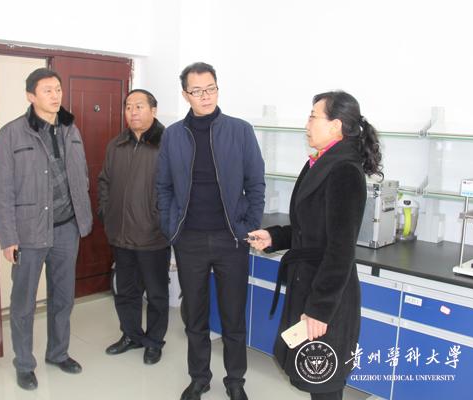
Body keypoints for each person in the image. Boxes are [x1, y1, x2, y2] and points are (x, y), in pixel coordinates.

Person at [248, 91, 383, 400]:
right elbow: (309, 229)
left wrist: (319, 311)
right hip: (308, 283)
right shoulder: (318, 163)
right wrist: (274, 237)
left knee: (325, 383)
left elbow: (340, 250)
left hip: (327, 295)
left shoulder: (344, 171)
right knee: (314, 377)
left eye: (312, 117)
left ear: (336, 125)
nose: (307, 124)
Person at [156, 62, 265, 400]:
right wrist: (171, 227)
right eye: (197, 91)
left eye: (211, 88)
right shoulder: (173, 135)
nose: (205, 96)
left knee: (233, 316)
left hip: (231, 238)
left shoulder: (240, 130)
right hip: (188, 239)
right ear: (185, 94)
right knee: (195, 315)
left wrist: (248, 226)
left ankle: (235, 381)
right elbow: (163, 186)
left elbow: (255, 183)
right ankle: (199, 377)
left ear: (217, 88)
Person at [0, 68, 93, 390]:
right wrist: (8, 237)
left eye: (58, 89)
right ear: (30, 96)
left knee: (63, 298)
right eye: (47, 90)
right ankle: (24, 364)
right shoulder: (11, 134)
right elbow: (1, 190)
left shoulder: (71, 128)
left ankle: (58, 353)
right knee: (23, 303)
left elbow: (81, 174)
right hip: (29, 233)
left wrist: (81, 218)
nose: (55, 95)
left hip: (66, 229)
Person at [98, 89, 170, 365]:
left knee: (156, 293)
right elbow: (104, 181)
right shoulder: (116, 145)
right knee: (125, 291)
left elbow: (179, 188)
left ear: (154, 110)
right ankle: (131, 335)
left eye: (139, 106)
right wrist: (107, 212)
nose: (133, 112)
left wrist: (161, 219)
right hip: (120, 233)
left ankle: (154, 341)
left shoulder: (167, 144)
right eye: (128, 107)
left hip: (154, 235)